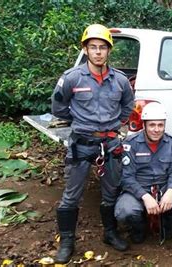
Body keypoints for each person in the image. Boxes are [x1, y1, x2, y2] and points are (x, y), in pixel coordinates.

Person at [51, 24, 134, 263]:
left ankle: (110, 233)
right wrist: (80, 122)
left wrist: (115, 123)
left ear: (109, 51)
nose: (98, 52)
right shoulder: (72, 77)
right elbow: (58, 107)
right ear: (85, 50)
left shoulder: (119, 80)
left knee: (110, 193)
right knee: (71, 195)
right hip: (82, 144)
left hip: (110, 144)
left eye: (102, 48)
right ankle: (67, 241)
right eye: (93, 47)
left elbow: (128, 106)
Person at [114, 102, 172, 244]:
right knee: (124, 211)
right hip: (140, 189)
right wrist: (145, 197)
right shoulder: (131, 143)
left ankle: (167, 223)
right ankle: (139, 227)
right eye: (152, 125)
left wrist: (170, 192)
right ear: (144, 125)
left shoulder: (171, 143)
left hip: (164, 187)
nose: (156, 129)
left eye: (160, 125)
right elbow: (127, 177)